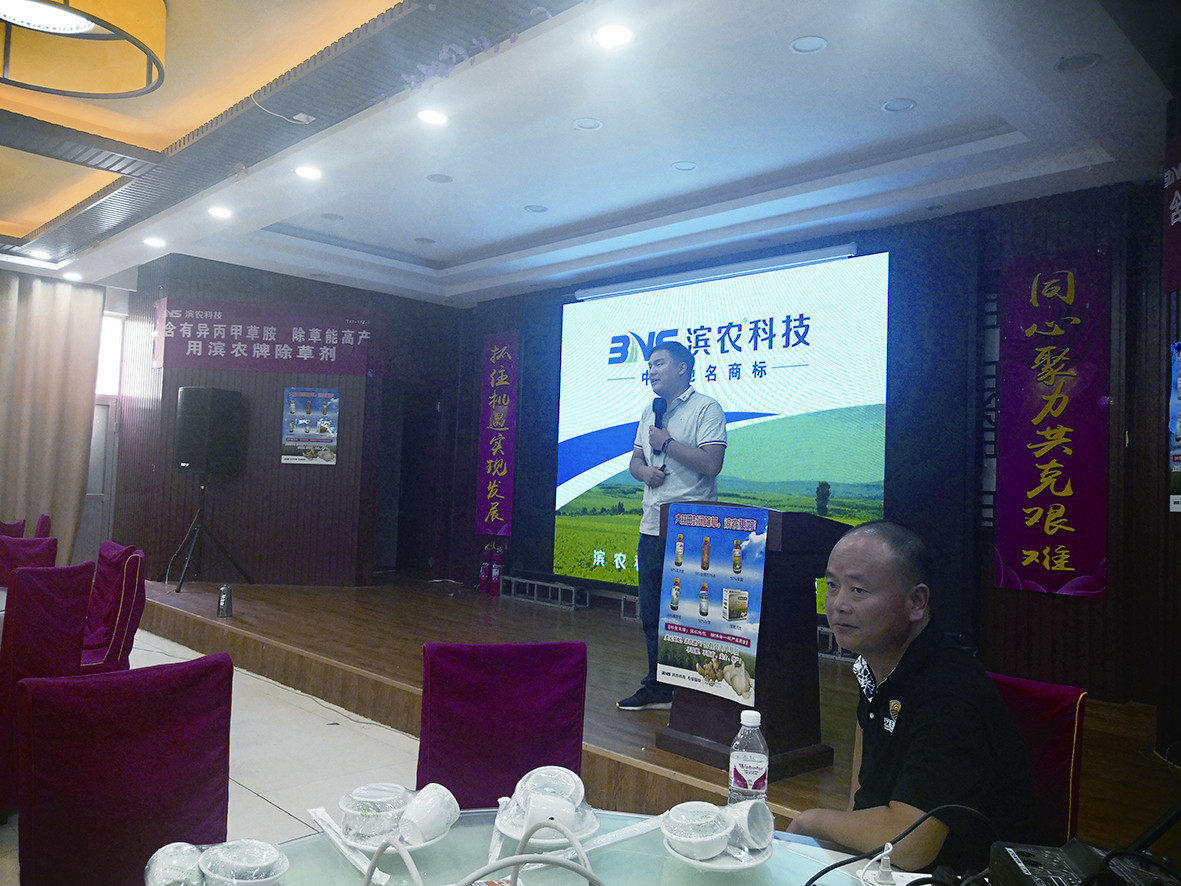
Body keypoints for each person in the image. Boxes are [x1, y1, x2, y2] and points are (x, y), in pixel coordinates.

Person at [787, 521, 1036, 872]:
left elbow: (910, 845)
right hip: (887, 869)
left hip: (968, 874)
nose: (838, 604)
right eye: (832, 585)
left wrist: (811, 821)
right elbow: (863, 802)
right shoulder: (874, 665)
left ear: (916, 602)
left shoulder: (950, 693)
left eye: (858, 590)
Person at [617, 341, 727, 711]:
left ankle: (696, 690)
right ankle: (659, 686)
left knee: (692, 613)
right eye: (650, 364)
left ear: (682, 368)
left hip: (692, 528)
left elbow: (711, 464)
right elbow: (635, 461)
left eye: (659, 363)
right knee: (652, 613)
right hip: (652, 525)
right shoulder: (651, 410)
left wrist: (667, 442)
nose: (651, 370)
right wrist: (643, 472)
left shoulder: (706, 408)